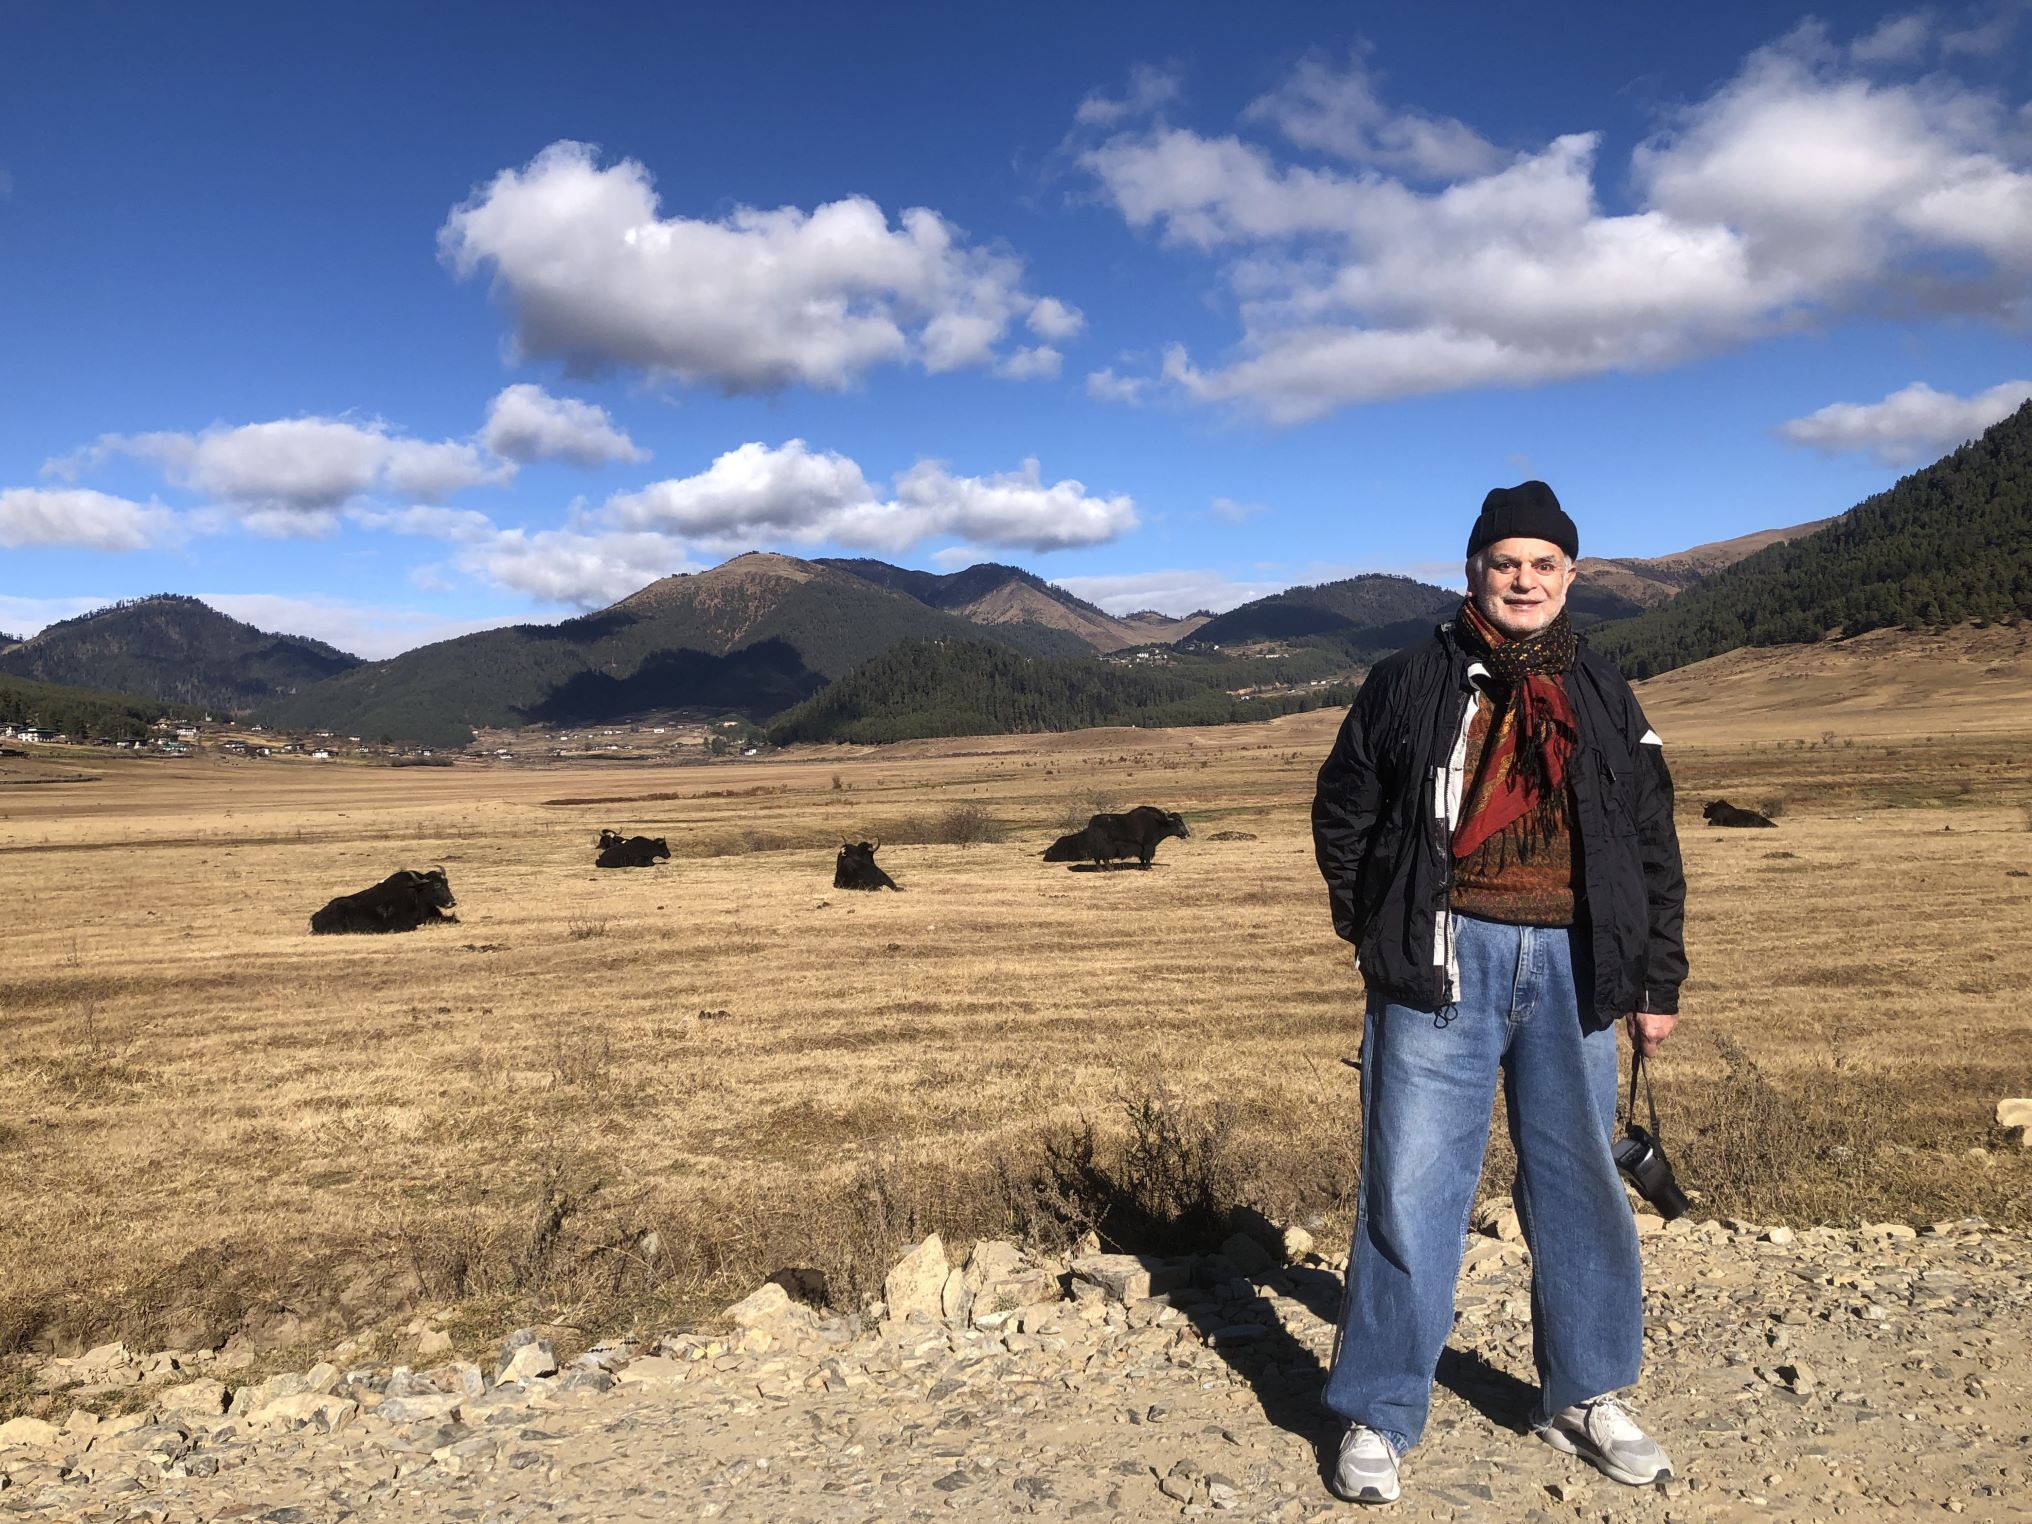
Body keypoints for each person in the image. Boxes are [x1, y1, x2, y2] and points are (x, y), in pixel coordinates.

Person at [1310, 481, 1687, 1505]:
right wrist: (1374, 924)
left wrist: (1655, 979)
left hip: (1574, 965)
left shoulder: (1605, 693)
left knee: (1581, 1191)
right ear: (1471, 569)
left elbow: (1649, 840)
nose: (1524, 580)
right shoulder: (1406, 680)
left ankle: (1584, 1395)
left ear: (1571, 575)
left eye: (1543, 564)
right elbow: (1344, 809)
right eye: (1503, 562)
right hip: (1441, 958)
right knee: (1410, 1190)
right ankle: (1378, 1413)